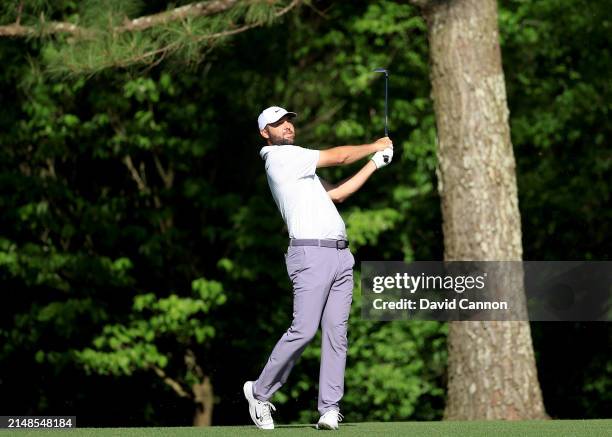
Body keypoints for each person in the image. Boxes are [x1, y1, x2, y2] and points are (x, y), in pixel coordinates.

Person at [243, 106, 394, 430]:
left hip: (340, 255)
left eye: (288, 122)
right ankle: (258, 392)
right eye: (277, 123)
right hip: (310, 254)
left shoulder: (302, 170)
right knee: (304, 329)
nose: (286, 127)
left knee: (337, 335)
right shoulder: (279, 158)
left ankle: (329, 408)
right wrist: (374, 146)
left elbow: (337, 195)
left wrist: (373, 164)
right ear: (264, 133)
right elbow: (339, 158)